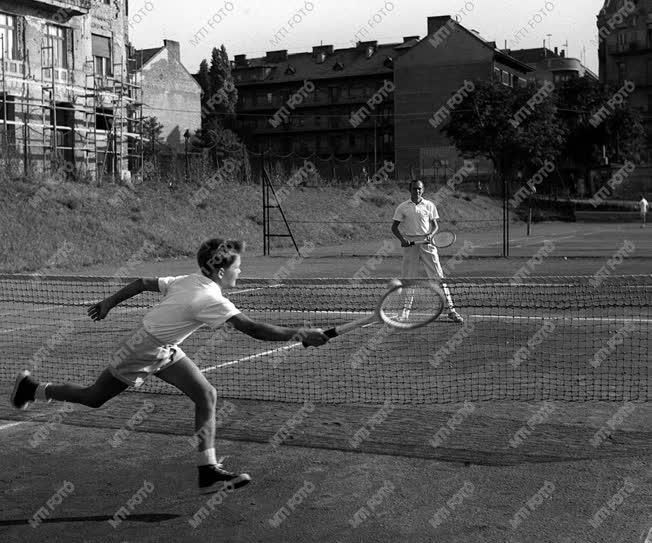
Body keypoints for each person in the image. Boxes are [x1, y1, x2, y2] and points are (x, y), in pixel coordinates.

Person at [10, 238, 329, 491]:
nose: (240, 272)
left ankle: (208, 472)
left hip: (161, 346)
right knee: (95, 398)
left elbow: (141, 283)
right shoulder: (211, 299)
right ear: (220, 271)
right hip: (143, 350)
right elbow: (253, 328)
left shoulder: (189, 280)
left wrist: (108, 304)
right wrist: (301, 334)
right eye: (238, 267)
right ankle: (32, 389)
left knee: (206, 395)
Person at [391, 180, 463, 323]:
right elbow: (394, 227)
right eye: (414, 188)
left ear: (423, 190)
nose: (416, 191)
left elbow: (435, 226)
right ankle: (405, 312)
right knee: (408, 279)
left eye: (419, 189)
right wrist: (402, 239)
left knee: (438, 277)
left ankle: (451, 310)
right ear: (409, 189)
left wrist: (431, 235)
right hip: (410, 245)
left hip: (428, 243)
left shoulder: (430, 205)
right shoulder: (402, 207)